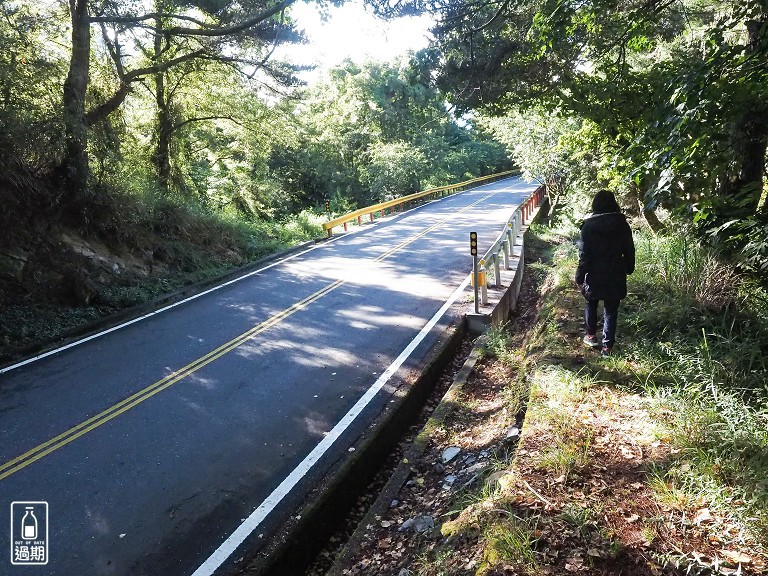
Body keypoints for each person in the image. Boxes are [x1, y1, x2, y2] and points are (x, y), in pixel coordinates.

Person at [575, 190, 635, 357]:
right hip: (616, 271)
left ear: (595, 205)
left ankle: (591, 335)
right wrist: (629, 267)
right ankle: (607, 348)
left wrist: (579, 277)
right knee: (611, 309)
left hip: (594, 273)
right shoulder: (622, 224)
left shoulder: (588, 227)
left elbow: (584, 256)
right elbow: (629, 249)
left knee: (591, 302)